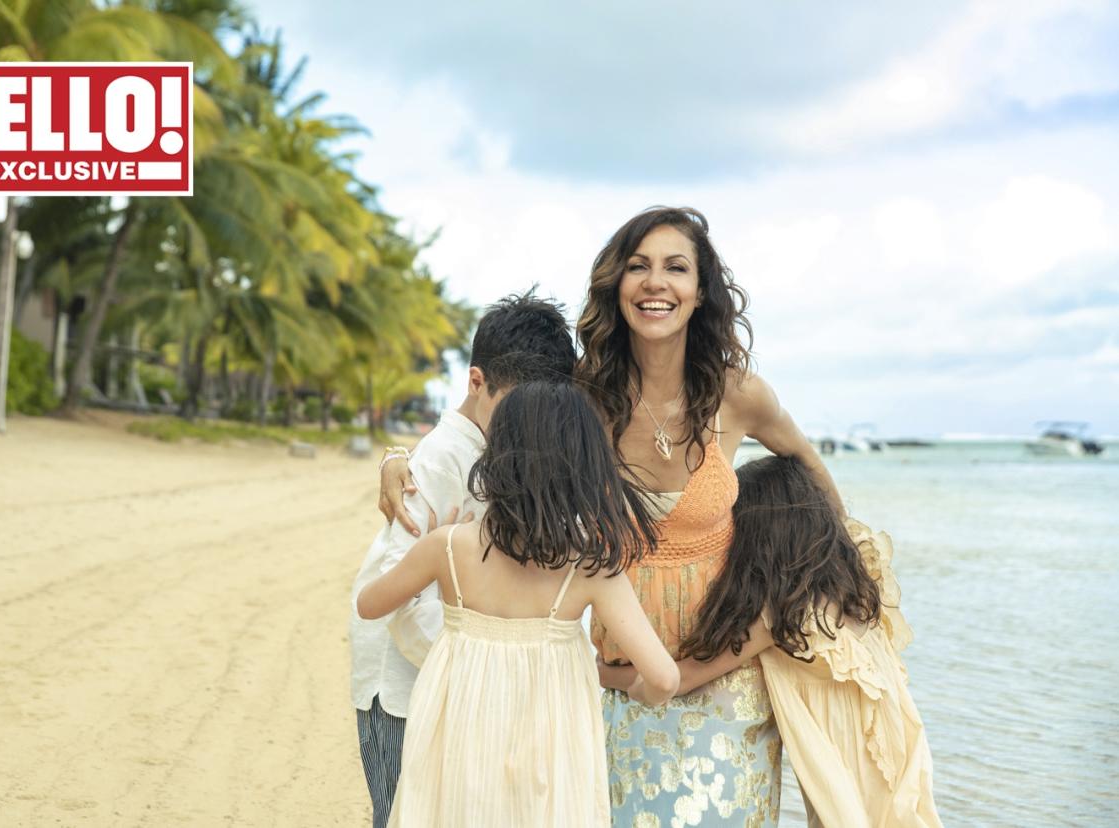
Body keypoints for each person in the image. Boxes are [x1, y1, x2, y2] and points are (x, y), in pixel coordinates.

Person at [381, 206, 841, 824]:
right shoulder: (583, 399)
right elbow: (498, 438)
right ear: (615, 286)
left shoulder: (741, 394)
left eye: (676, 268)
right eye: (638, 266)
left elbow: (809, 470)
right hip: (610, 679)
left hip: (726, 677)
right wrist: (399, 458)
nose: (656, 282)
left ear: (701, 291)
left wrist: (841, 557)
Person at [358, 381, 681, 826]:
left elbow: (369, 605)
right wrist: (629, 687)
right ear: (585, 466)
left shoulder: (448, 546)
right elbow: (663, 679)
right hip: (549, 747)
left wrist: (430, 560)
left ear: (496, 456)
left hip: (458, 743)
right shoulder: (591, 569)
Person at [600, 455, 942, 828]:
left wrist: (604, 673)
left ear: (757, 536)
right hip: (896, 747)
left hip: (843, 764)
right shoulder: (854, 587)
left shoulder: (780, 615)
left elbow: (680, 679)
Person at [348, 292, 577, 828]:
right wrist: (487, 676)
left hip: (461, 678)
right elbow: (397, 595)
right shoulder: (438, 458)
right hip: (404, 685)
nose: (529, 421)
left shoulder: (507, 448)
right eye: (516, 404)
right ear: (476, 382)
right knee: (404, 812)